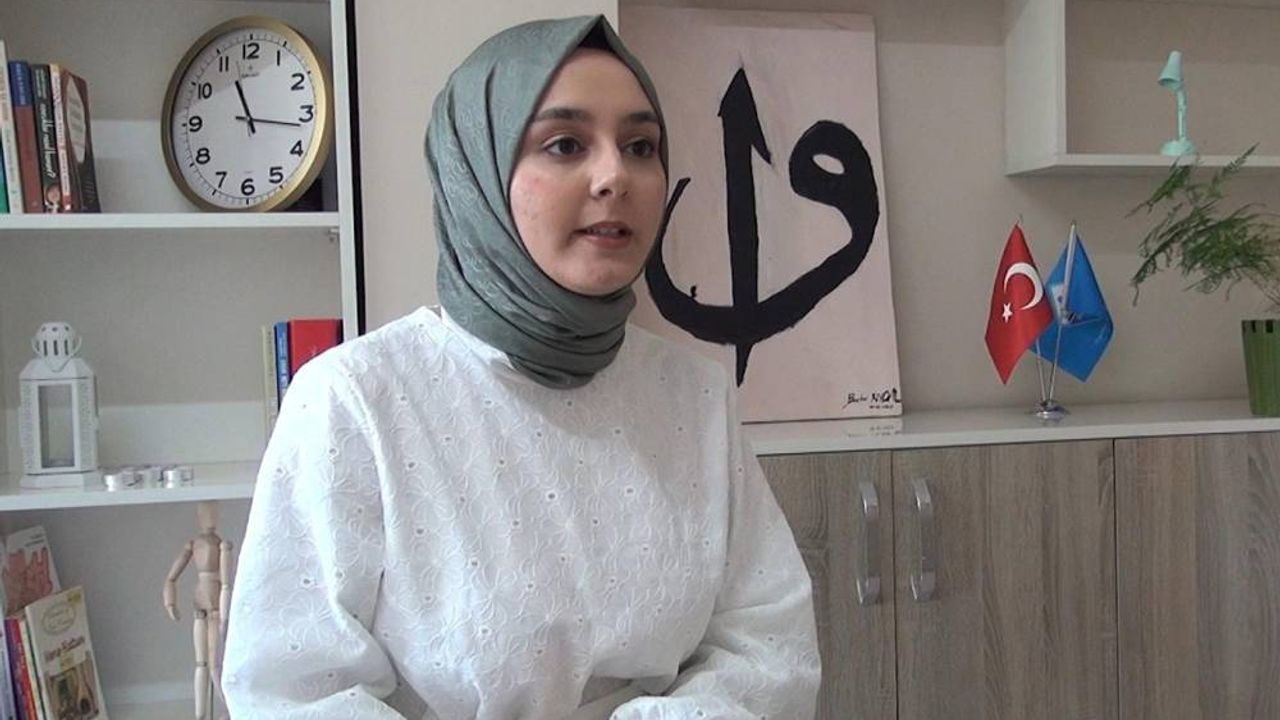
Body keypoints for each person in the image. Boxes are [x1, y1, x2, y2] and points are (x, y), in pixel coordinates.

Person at [221, 14, 820, 720]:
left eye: (641, 146)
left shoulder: (694, 394)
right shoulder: (354, 399)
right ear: (476, 170)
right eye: (565, 144)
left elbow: (768, 645)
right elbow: (293, 691)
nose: (615, 176)